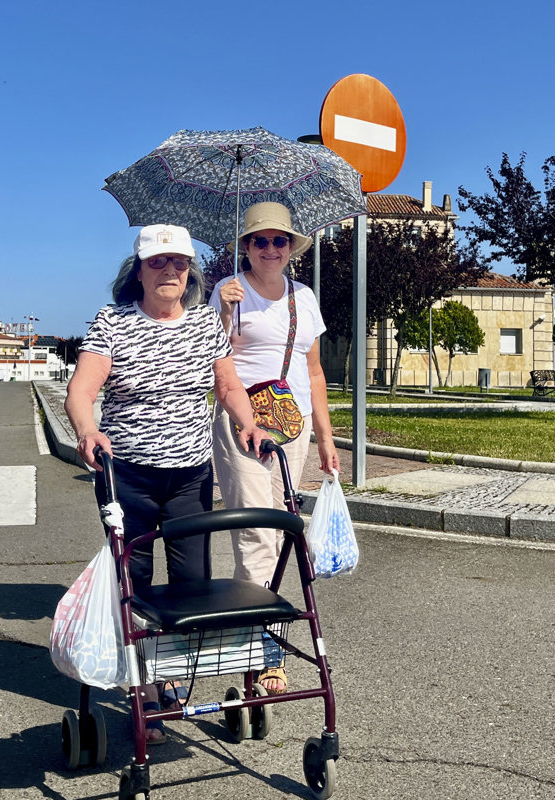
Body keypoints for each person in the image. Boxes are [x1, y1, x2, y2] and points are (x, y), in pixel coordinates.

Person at [64, 223, 267, 744]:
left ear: (189, 271)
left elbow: (227, 384)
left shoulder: (204, 325)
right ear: (138, 271)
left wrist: (247, 419)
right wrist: (88, 431)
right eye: (158, 262)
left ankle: (170, 677)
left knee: (191, 582)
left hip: (189, 476)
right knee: (134, 582)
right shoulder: (112, 322)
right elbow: (81, 390)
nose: (170, 270)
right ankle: (142, 688)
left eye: (178, 262)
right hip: (127, 472)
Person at [209, 202, 340, 696]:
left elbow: (314, 372)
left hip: (293, 423)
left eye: (279, 241)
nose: (270, 249)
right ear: (245, 247)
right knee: (256, 533)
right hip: (242, 423)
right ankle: (260, 653)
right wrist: (222, 314)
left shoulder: (303, 297)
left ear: (292, 249)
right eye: (259, 240)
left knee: (281, 532)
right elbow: (211, 362)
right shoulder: (228, 292)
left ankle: (257, 633)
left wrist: (326, 438)